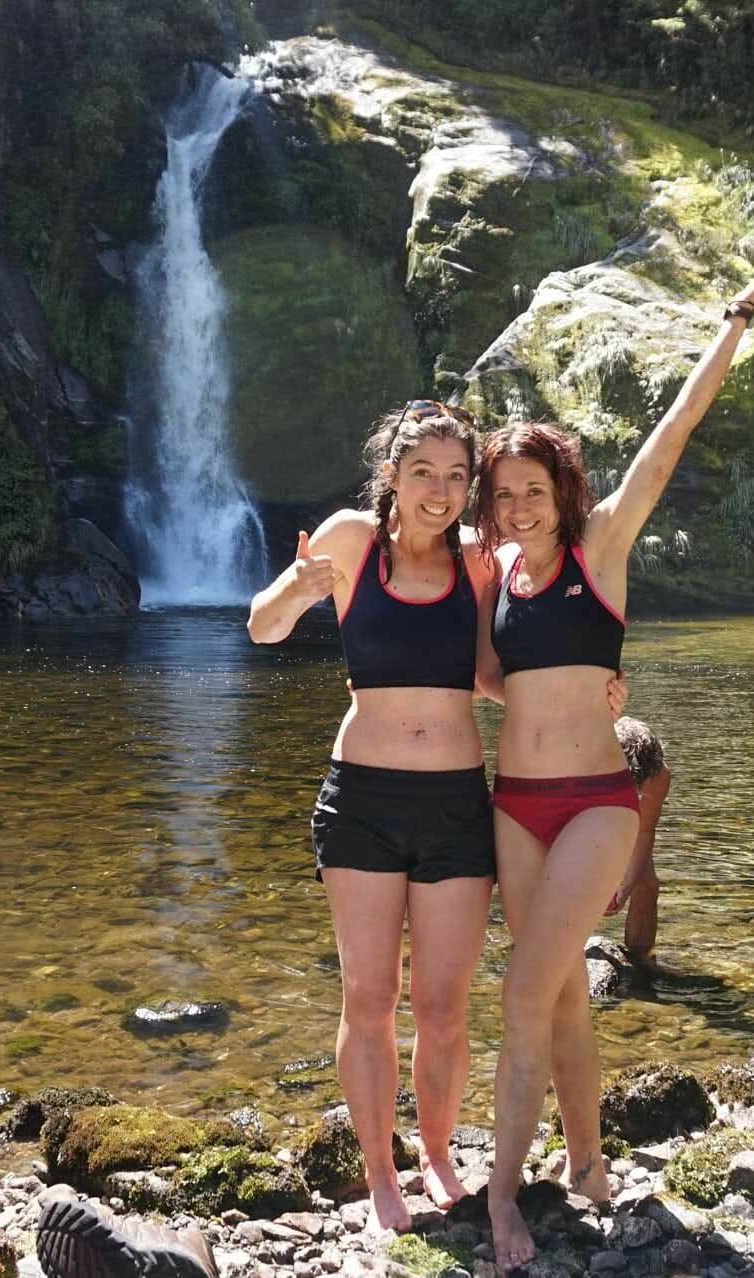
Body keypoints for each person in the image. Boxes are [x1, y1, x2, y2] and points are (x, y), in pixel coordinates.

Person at [474, 244, 754, 1269]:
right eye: (504, 495)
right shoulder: (501, 578)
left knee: (528, 989)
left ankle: (503, 1204)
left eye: (534, 490)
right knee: (560, 989)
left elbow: (672, 437)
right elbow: (486, 678)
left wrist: (735, 320)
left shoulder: (599, 550)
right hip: (513, 800)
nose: (519, 507)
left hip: (597, 803)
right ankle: (587, 1162)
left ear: (564, 490)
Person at [247, 401, 495, 1231]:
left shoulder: (478, 559)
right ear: (390, 474)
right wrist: (297, 587)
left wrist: (583, 689)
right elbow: (263, 629)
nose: (441, 490)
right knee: (368, 997)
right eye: (423, 472)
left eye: (457, 476)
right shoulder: (352, 538)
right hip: (362, 798)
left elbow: (495, 676)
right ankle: (380, 1170)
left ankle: (436, 1150)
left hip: (458, 803)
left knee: (445, 1004)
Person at [605, 716, 672, 973]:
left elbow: (644, 832)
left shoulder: (660, 775)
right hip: (580, 815)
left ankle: (638, 960)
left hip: (626, 824)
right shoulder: (590, 762)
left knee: (647, 882)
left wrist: (624, 889)